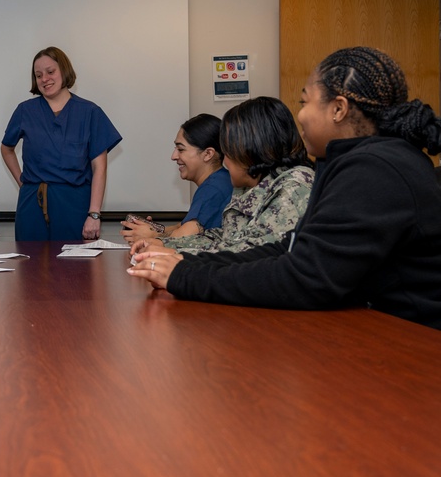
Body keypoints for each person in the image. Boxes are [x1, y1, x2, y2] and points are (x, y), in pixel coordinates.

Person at [130, 47, 441, 329]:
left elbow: (306, 277)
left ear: (338, 109)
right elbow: (288, 250)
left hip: (411, 342)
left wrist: (184, 276)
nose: (300, 116)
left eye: (304, 102)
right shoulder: (352, 163)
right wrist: (185, 263)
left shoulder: (374, 169)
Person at [131, 97, 314, 256]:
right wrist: (164, 244)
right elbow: (224, 238)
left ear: (251, 149)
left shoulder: (293, 187)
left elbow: (251, 254)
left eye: (229, 150)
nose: (225, 160)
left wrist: (177, 258)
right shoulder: (249, 186)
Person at [1, 46, 122, 241]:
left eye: (50, 72)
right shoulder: (25, 111)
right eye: (38, 75)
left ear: (64, 71)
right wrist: (23, 183)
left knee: (74, 268)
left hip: (74, 205)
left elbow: (99, 168)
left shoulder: (90, 112)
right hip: (32, 205)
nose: (44, 79)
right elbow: (6, 149)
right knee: (29, 267)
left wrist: (94, 214)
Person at [120, 114, 233, 244]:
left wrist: (151, 237)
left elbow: (183, 238)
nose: (173, 156)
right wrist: (155, 230)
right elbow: (183, 226)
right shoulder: (221, 180)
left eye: (181, 149)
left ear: (207, 154)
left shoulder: (213, 188)